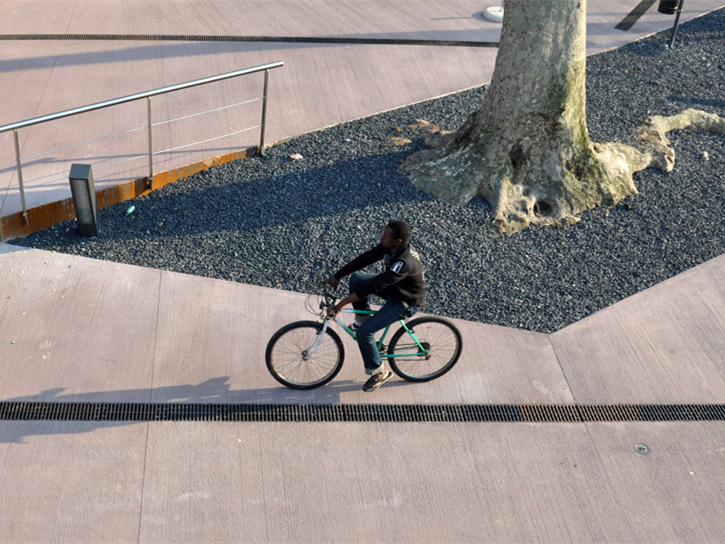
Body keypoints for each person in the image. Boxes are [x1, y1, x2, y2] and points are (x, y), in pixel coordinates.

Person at [322, 220, 428, 392]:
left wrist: (342, 303)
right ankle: (363, 320)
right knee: (357, 279)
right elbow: (364, 259)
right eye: (383, 233)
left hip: (405, 301)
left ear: (398, 241)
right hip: (395, 289)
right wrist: (337, 276)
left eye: (386, 236)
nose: (382, 237)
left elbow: (375, 285)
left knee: (365, 333)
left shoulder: (404, 262)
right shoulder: (390, 247)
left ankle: (380, 372)